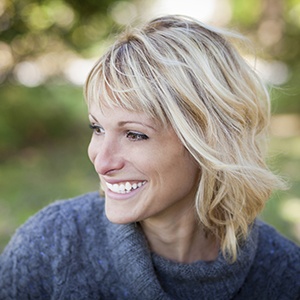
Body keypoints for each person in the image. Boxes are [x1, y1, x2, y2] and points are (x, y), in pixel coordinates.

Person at [0, 15, 299, 300]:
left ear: (210, 142)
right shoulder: (50, 244)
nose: (102, 162)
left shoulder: (285, 274)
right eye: (98, 128)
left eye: (134, 134)